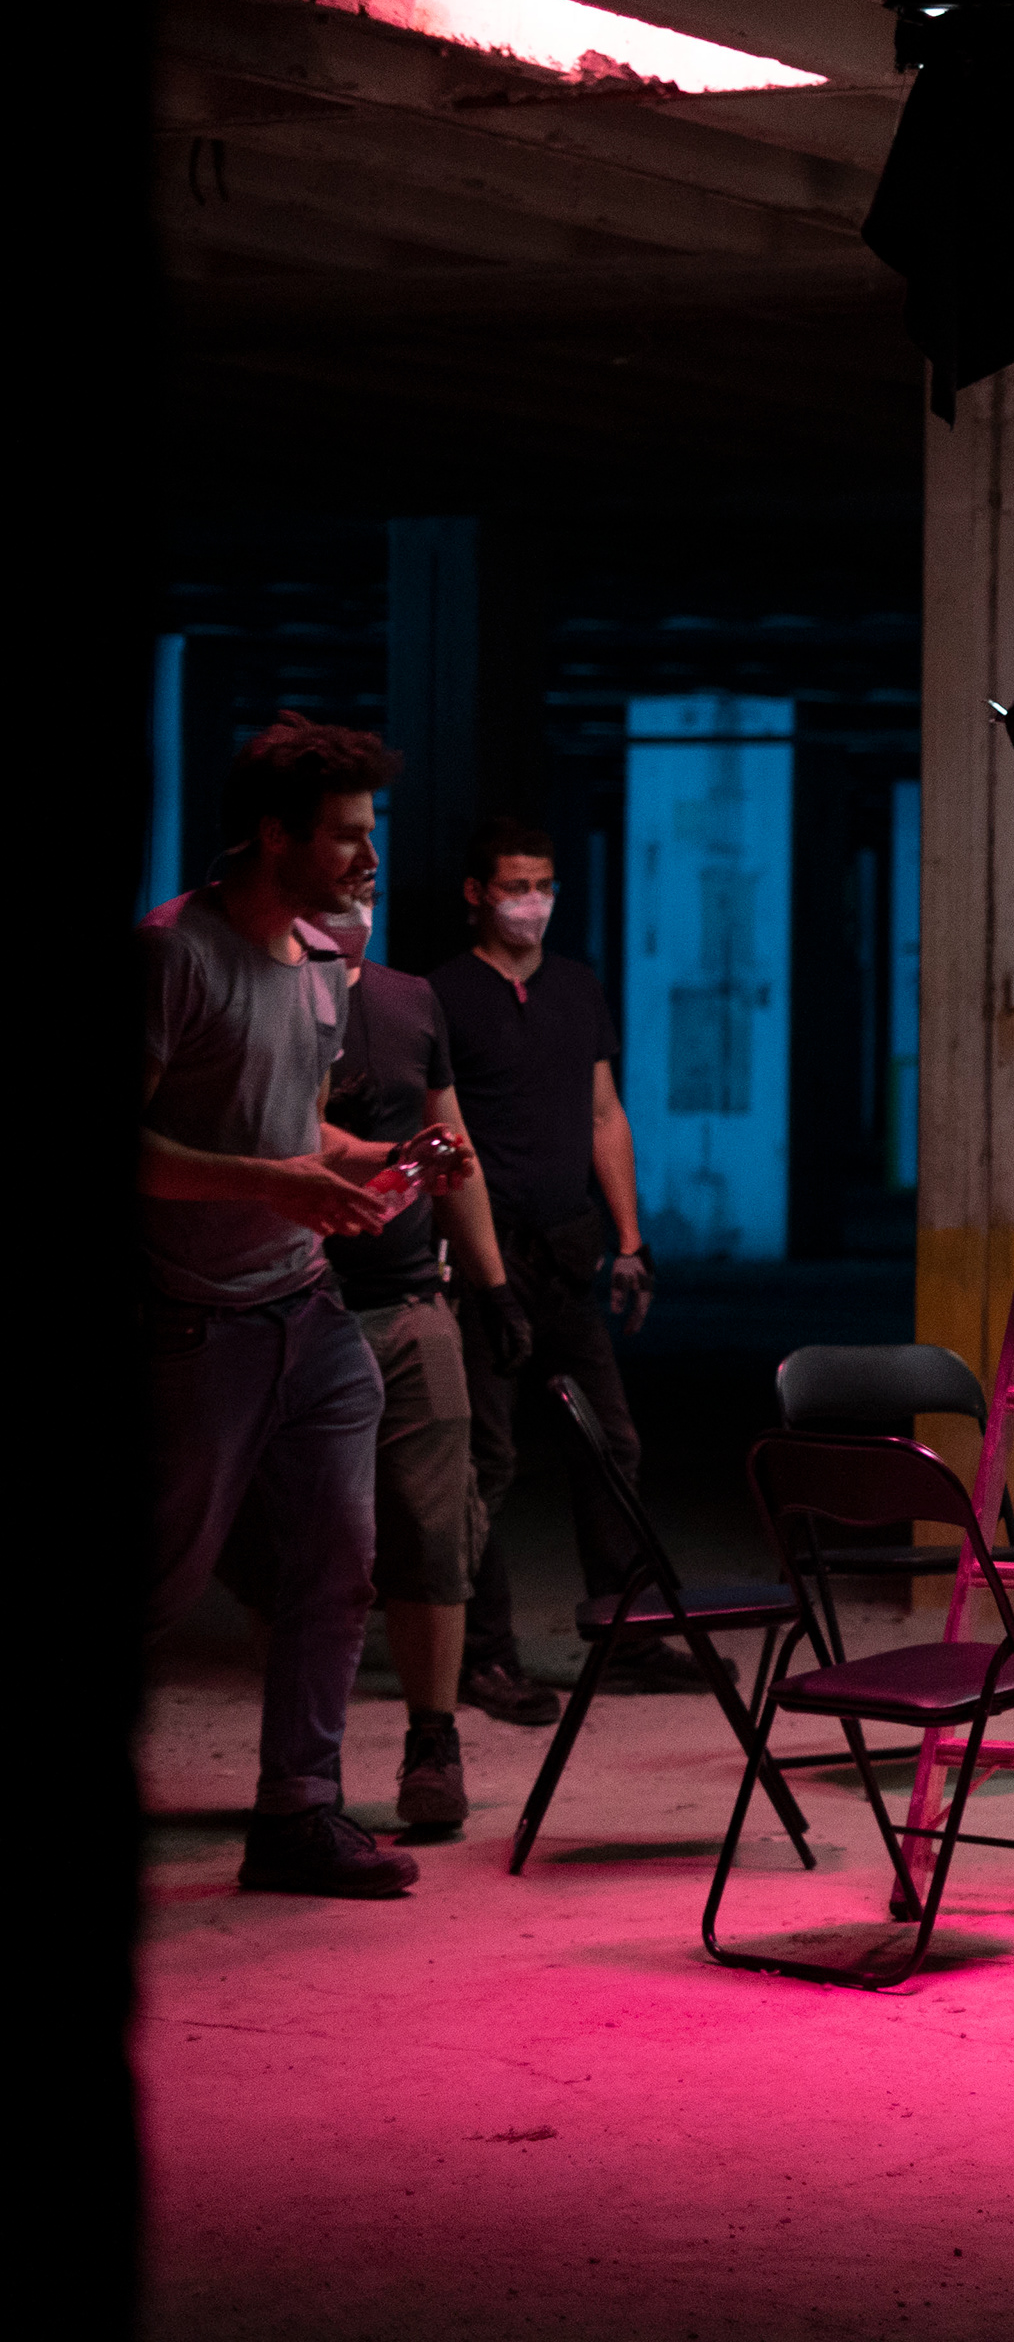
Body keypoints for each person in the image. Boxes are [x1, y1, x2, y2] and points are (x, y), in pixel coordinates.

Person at [140, 714, 454, 1896]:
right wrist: (270, 1183)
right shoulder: (175, 957)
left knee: (338, 1558)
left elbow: (291, 1127)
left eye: (370, 834)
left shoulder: (323, 962)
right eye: (343, 837)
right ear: (272, 834)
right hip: (190, 1319)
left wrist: (381, 1158)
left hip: (307, 1313)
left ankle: (299, 1813)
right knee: (164, 1578)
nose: (367, 859)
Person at [432, 818, 668, 1708]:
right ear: (476, 894)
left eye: (544, 886)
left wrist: (631, 1241)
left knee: (611, 1444)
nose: (532, 903)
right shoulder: (441, 997)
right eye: (515, 886)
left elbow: (605, 1115)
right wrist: (475, 1271)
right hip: (483, 1262)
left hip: (570, 1251)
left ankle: (629, 1638)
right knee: (483, 1460)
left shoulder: (575, 988)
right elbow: (442, 1135)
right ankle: (482, 1655)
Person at [316, 878, 533, 1830]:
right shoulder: (265, 993)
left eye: (371, 872)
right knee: (306, 1543)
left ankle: (432, 1741)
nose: (361, 888)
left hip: (411, 1302)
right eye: (346, 866)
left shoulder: (409, 1002)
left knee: (438, 1525)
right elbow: (272, 1132)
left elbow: (455, 1147)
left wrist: (492, 1288)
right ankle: (306, 1764)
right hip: (298, 1302)